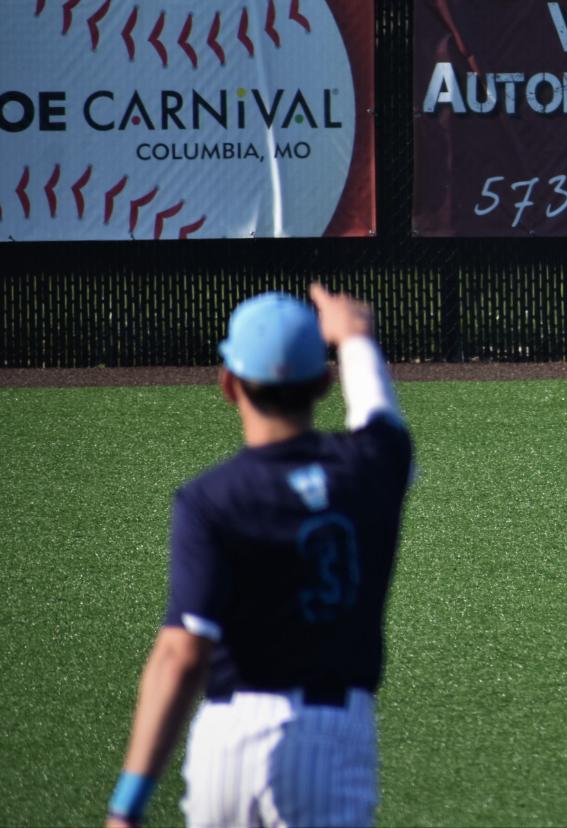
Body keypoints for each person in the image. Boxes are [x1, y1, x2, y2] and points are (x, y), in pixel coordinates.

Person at [106, 284, 412, 827]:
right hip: (330, 737)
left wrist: (127, 802)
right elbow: (379, 415)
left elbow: (180, 655)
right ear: (322, 381)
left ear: (228, 384)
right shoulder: (372, 469)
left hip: (228, 741)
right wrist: (356, 338)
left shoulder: (212, 498)